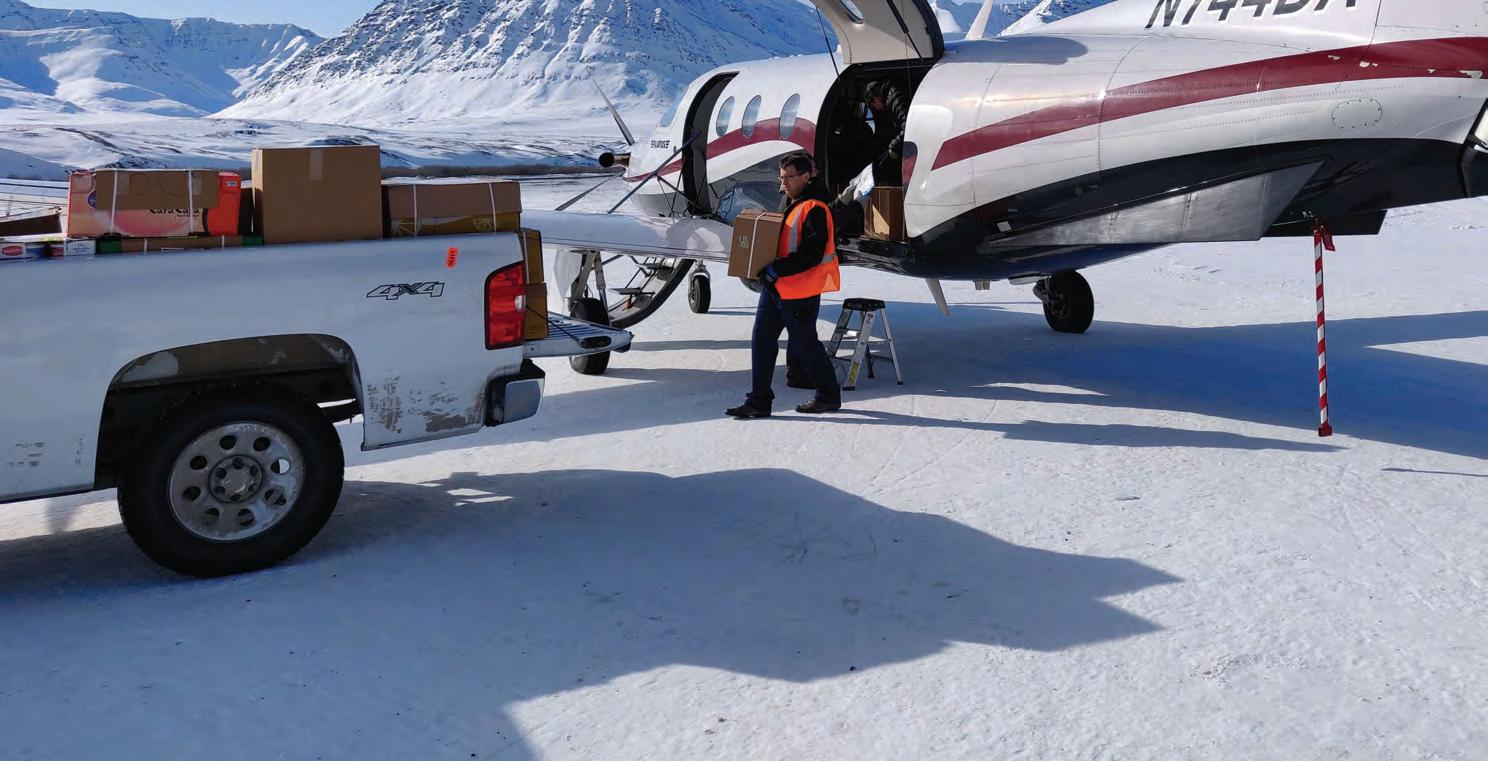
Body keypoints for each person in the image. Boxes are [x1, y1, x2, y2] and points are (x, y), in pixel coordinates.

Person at [726, 153, 843, 419]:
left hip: (800, 290)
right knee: (762, 340)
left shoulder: (815, 208)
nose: (783, 183)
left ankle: (828, 395)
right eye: (781, 178)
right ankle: (759, 400)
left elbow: (811, 254)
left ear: (806, 176)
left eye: (789, 178)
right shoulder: (791, 203)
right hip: (776, 288)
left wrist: (775, 269)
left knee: (805, 344)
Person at [863, 79, 909, 187]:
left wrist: (894, 146)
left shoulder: (895, 99)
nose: (876, 108)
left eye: (873, 105)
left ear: (876, 98)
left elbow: (907, 125)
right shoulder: (890, 100)